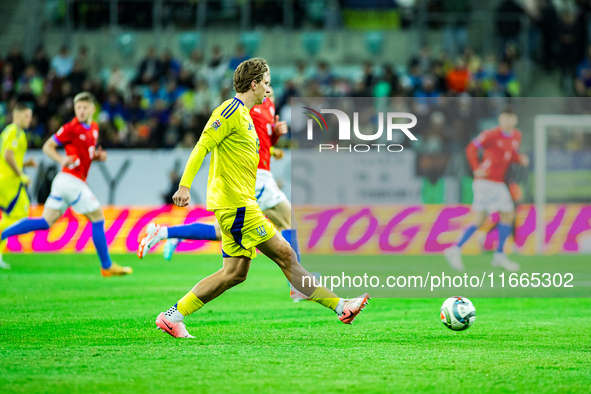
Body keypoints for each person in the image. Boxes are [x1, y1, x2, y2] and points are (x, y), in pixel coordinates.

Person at [149, 58, 369, 338]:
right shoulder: (230, 110)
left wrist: (273, 144)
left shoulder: (246, 118)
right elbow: (202, 145)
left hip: (237, 205)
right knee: (286, 255)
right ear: (253, 84)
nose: (268, 88)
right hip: (237, 206)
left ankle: (172, 316)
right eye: (265, 83)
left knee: (234, 273)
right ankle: (341, 306)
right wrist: (184, 186)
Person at [0, 92, 132, 277]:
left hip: (64, 182)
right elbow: (47, 146)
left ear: (92, 109)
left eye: (85, 107)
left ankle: (2, 234)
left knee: (46, 222)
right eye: (78, 108)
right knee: (98, 217)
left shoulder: (93, 128)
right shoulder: (71, 128)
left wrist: (96, 156)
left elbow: (86, 152)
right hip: (71, 181)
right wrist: (61, 159)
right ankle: (106, 265)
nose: (81, 111)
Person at [444, 109, 528, 272]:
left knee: (488, 218)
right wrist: (476, 168)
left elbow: (509, 155)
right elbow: (471, 148)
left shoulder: (516, 136)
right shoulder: (491, 134)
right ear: (500, 119)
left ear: (515, 119)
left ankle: (457, 249)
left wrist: (519, 159)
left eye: (510, 117)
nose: (507, 121)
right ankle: (497, 255)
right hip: (487, 182)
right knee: (503, 215)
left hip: (496, 183)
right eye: (504, 117)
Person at [0, 103, 36, 269]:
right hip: (9, 181)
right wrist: (21, 174)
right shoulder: (14, 131)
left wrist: (25, 164)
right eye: (27, 116)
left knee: (10, 217)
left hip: (7, 179)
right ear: (18, 114)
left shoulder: (13, 132)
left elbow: (10, 156)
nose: (30, 119)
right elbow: (8, 155)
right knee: (20, 214)